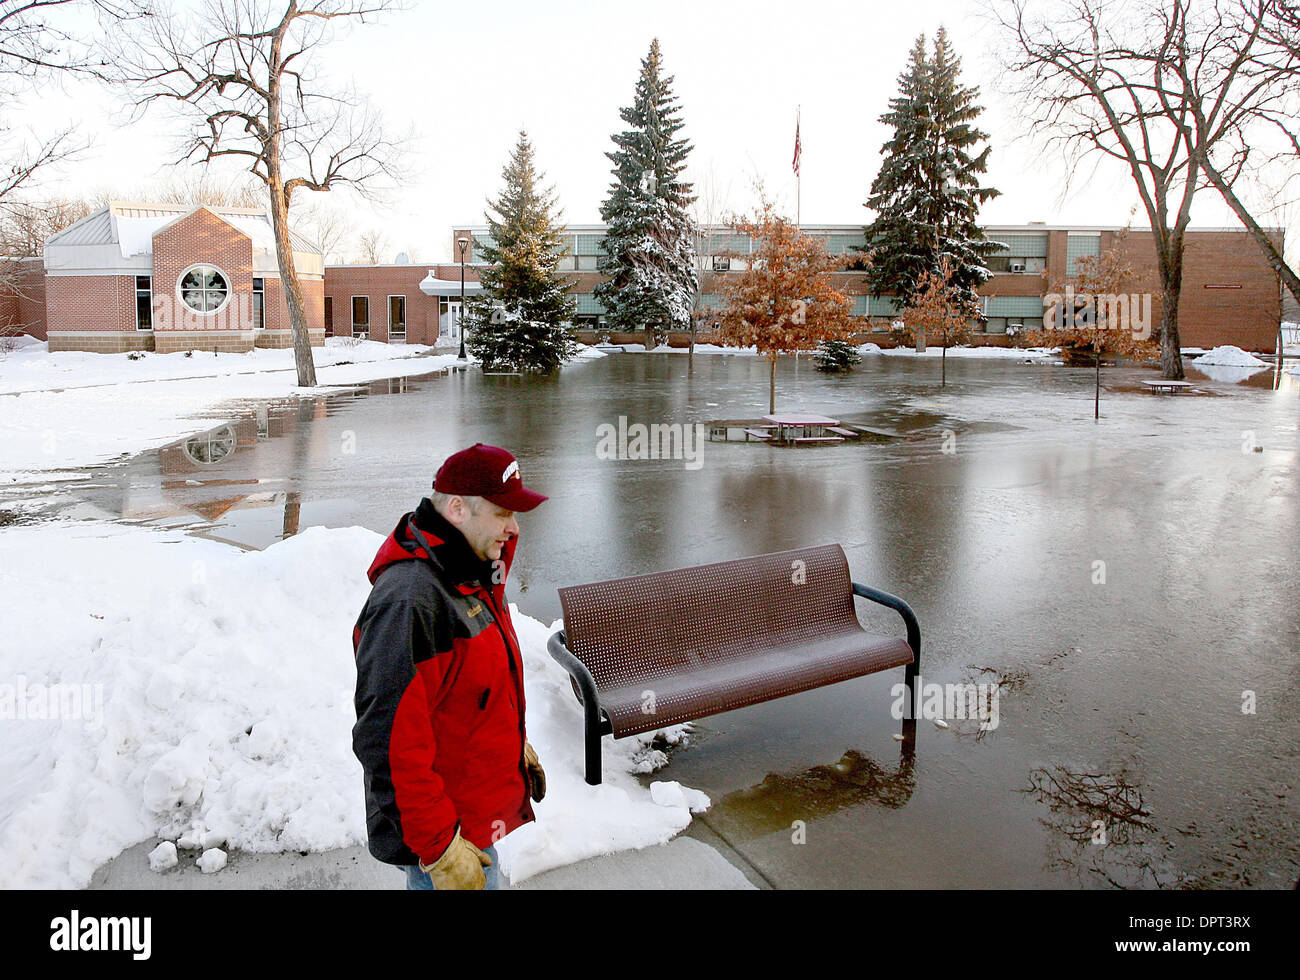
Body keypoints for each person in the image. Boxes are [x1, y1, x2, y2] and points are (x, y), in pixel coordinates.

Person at [351, 443, 548, 890]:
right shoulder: (411, 601)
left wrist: (510, 744)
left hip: (471, 820)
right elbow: (387, 741)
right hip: (442, 838)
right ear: (457, 509)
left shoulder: (472, 572)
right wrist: (439, 848)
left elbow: (468, 689)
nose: (514, 527)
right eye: (502, 513)